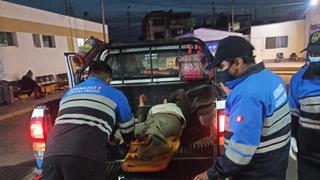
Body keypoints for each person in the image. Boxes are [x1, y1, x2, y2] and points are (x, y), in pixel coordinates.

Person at [194, 36, 291, 180]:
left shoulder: (247, 94)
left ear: (238, 63)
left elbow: (242, 148)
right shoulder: (272, 78)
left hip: (257, 170)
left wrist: (213, 173)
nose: (220, 73)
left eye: (222, 67)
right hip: (276, 163)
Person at [42, 62, 135, 180]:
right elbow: (127, 125)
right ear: (108, 80)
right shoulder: (115, 94)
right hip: (84, 158)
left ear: (89, 76)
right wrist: (127, 142)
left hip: (51, 156)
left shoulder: (69, 93)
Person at [288, 31, 320, 180]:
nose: (314, 56)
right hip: (307, 150)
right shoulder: (298, 79)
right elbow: (293, 113)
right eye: (312, 52)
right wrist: (292, 137)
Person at [135, 89, 190, 161]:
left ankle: (159, 146)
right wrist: (141, 102)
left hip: (170, 118)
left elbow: (181, 92)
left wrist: (168, 99)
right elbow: (140, 120)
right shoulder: (153, 108)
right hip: (150, 121)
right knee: (131, 129)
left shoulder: (174, 106)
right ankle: (117, 141)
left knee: (154, 126)